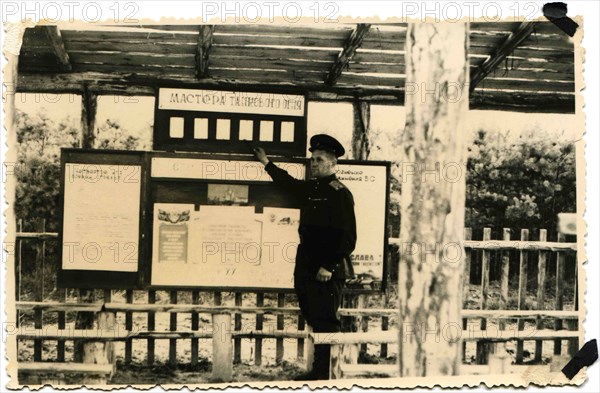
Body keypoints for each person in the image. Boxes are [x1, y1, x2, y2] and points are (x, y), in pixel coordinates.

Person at [253, 134, 357, 380]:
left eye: (319, 160)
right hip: (306, 265)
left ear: (333, 164)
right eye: (312, 159)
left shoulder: (339, 193)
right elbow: (288, 183)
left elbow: (347, 237)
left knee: (326, 321)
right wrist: (266, 163)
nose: (314, 163)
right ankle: (319, 371)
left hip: (326, 269)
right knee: (312, 316)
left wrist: (328, 266)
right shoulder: (312, 188)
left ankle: (324, 374)